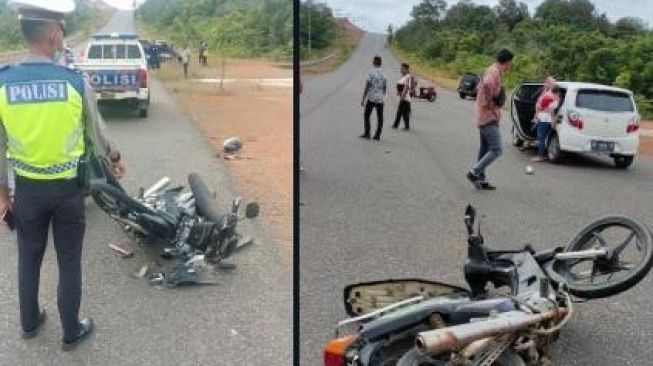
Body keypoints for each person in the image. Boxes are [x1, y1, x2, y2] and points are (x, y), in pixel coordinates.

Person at [0, 0, 126, 351]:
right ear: (54, 35)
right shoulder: (73, 83)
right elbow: (98, 133)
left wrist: (3, 194)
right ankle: (71, 331)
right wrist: (115, 158)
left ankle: (28, 323)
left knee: (28, 256)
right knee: (69, 260)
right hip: (69, 190)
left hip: (27, 190)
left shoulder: (2, 84)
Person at [466, 48, 514, 190]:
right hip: (488, 117)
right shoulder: (494, 72)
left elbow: (480, 87)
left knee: (485, 148)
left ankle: (480, 179)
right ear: (507, 62)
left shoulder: (492, 69)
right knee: (497, 149)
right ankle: (474, 172)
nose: (511, 65)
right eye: (511, 63)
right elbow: (486, 85)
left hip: (484, 116)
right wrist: (490, 105)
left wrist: (488, 103)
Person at [531, 78, 561, 162]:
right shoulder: (556, 97)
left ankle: (541, 156)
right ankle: (544, 154)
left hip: (543, 118)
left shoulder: (548, 96)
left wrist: (537, 115)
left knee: (541, 137)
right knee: (545, 137)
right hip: (546, 118)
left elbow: (540, 107)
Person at [360, 55, 387, 140]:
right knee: (380, 117)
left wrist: (363, 98)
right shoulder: (383, 73)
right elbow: (384, 87)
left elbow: (367, 86)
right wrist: (382, 96)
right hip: (380, 98)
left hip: (371, 97)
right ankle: (377, 135)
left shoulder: (371, 72)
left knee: (367, 115)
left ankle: (367, 133)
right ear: (381, 63)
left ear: (373, 62)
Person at [392, 63, 412, 130]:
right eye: (401, 68)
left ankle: (400, 125)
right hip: (403, 97)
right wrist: (398, 91)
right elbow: (401, 85)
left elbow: (407, 87)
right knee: (402, 113)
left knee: (402, 113)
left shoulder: (408, 77)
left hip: (405, 98)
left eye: (402, 69)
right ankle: (399, 125)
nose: (401, 70)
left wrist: (402, 97)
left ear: (406, 69)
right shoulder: (404, 76)